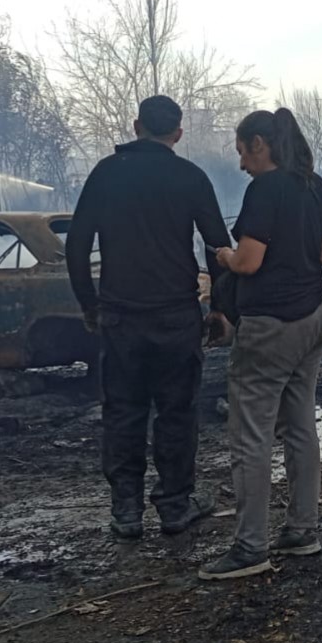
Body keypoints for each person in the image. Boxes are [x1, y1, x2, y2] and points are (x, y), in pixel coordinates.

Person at [67, 96, 234, 540]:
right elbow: (217, 245)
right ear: (178, 133)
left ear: (136, 126)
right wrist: (219, 307)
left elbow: (77, 243)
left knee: (122, 411)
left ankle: (126, 510)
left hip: (121, 317)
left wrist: (89, 302)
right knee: (177, 413)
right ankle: (175, 506)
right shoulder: (189, 177)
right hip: (177, 317)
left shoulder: (106, 173)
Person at [198, 108, 322, 581]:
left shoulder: (265, 189)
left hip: (271, 326)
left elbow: (249, 262)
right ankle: (302, 530)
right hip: (314, 319)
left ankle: (250, 547)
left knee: (251, 436)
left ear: (260, 143)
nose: (241, 165)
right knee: (300, 426)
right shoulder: (314, 185)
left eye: (242, 152)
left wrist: (223, 256)